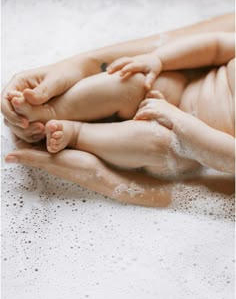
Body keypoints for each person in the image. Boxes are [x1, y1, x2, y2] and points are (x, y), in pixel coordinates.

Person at [2, 13, 235, 207]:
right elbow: (215, 47)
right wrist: (158, 60)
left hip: (186, 145)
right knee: (135, 81)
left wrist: (176, 119)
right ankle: (51, 111)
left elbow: (227, 155)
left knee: (157, 144)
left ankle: (76, 134)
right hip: (179, 90)